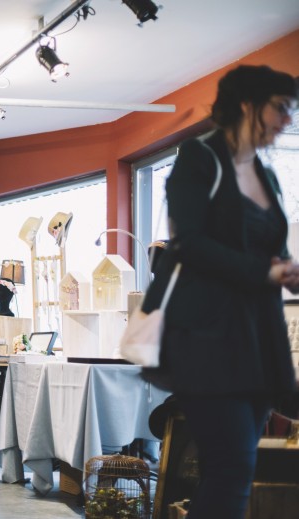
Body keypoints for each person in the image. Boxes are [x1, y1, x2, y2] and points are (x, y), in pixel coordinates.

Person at [143, 65, 298, 518]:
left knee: (232, 469)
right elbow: (188, 242)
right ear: (248, 105)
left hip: (257, 340)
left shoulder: (266, 175)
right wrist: (261, 272)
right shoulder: (200, 157)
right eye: (282, 108)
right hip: (207, 339)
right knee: (233, 467)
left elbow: (269, 248)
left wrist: (284, 270)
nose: (288, 120)